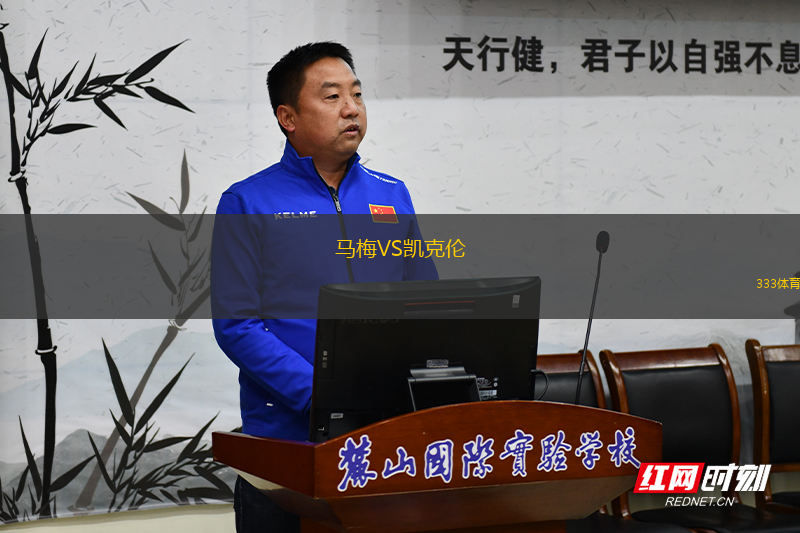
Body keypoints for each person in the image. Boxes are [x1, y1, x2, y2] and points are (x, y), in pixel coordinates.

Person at [211, 42, 438, 532]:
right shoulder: (247, 202)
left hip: (385, 437)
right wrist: (320, 392)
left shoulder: (391, 193)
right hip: (286, 447)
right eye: (332, 97)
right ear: (288, 117)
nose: (351, 108)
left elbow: (425, 302)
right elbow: (237, 326)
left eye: (356, 94)